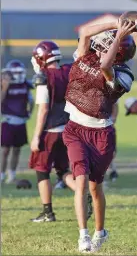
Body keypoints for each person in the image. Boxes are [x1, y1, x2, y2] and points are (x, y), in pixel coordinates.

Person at [63, 19, 136, 252]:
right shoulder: (86, 55)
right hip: (75, 128)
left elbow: (106, 66)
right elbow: (84, 31)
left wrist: (117, 37)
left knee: (96, 187)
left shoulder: (123, 75)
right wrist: (116, 22)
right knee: (81, 180)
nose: (103, 40)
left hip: (101, 133)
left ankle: (100, 231)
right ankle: (83, 235)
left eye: (112, 40)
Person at [29, 40, 92, 222]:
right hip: (68, 129)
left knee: (42, 171)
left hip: (50, 130)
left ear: (41, 57)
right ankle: (84, 194)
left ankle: (47, 212)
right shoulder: (68, 71)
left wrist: (36, 136)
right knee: (63, 170)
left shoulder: (44, 77)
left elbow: (43, 110)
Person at [1, 60, 34, 183]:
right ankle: (1, 174)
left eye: (20, 72)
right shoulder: (4, 84)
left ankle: (12, 175)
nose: (18, 75)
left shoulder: (25, 84)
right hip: (8, 120)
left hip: (21, 121)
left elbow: (31, 100)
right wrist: (4, 87)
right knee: (5, 150)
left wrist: (29, 113)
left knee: (17, 149)